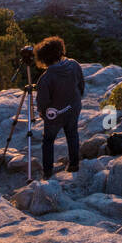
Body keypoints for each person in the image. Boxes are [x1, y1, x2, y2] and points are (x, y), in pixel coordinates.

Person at [34, 36, 85, 179]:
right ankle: (74, 165)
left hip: (54, 115)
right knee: (72, 134)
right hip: (73, 107)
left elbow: (43, 102)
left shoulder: (46, 78)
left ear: (43, 58)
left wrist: (43, 114)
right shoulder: (74, 64)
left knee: (48, 140)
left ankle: (48, 173)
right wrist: (75, 102)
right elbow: (81, 85)